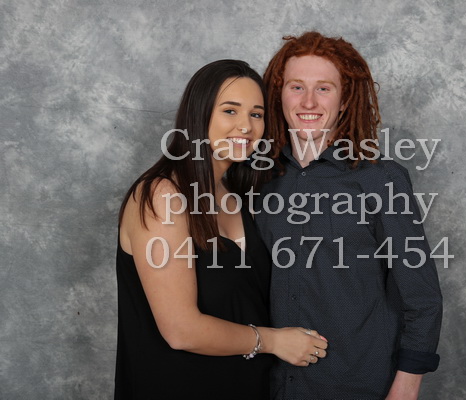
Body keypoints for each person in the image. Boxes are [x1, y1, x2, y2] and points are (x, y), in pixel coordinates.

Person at [114, 59, 328, 399]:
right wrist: (274, 341)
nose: (246, 126)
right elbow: (181, 330)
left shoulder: (236, 196)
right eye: (230, 111)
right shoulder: (162, 195)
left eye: (256, 114)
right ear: (198, 116)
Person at [256, 32, 443, 399]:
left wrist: (406, 388)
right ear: (278, 96)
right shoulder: (256, 179)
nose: (308, 101)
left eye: (324, 89)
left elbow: (422, 297)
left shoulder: (381, 180)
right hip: (270, 385)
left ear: (344, 101)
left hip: (356, 384)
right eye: (296, 87)